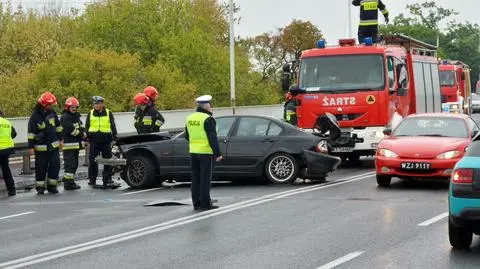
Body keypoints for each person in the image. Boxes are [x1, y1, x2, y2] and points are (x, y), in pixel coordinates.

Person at [185, 95, 222, 211]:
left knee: (195, 178)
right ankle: (206, 204)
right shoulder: (208, 119)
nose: (211, 108)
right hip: (205, 152)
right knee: (205, 179)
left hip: (193, 152)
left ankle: (196, 203)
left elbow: (187, 135)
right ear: (206, 106)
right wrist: (218, 154)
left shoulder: (190, 118)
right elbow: (212, 138)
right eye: (211, 105)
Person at [27, 92, 62, 194]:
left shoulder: (52, 113)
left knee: (55, 166)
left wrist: (61, 140)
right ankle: (40, 187)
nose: (52, 106)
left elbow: (58, 127)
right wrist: (30, 147)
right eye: (50, 105)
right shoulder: (35, 116)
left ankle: (52, 186)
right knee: (41, 168)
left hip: (53, 146)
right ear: (44, 104)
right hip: (41, 148)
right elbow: (31, 132)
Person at [85, 96, 121, 189]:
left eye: (97, 103)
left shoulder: (108, 113)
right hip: (94, 139)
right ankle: (92, 180)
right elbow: (87, 126)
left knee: (107, 160)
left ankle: (107, 179)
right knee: (93, 160)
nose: (96, 105)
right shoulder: (91, 113)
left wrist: (115, 137)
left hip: (106, 139)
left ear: (102, 104)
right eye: (95, 103)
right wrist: (87, 137)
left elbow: (113, 125)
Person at [60, 97, 86, 191]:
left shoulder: (76, 116)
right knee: (70, 165)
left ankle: (71, 182)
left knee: (74, 165)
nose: (74, 108)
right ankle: (68, 184)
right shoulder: (65, 117)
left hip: (76, 146)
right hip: (69, 147)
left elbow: (81, 126)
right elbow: (71, 130)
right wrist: (81, 134)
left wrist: (84, 132)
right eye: (72, 107)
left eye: (75, 107)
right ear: (67, 107)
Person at [0, 110, 17, 196]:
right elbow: (14, 134)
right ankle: (12, 190)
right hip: (6, 150)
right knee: (6, 169)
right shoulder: (6, 122)